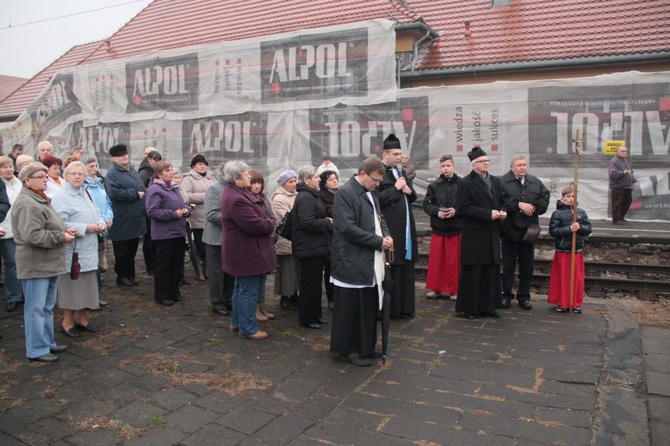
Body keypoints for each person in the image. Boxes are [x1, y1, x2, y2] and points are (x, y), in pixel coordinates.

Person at [330, 157, 393, 367]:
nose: (377, 185)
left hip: (368, 261)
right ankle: (347, 349)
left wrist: (387, 235)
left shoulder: (371, 193)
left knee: (367, 305)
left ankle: (366, 346)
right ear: (363, 173)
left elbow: (379, 218)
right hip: (351, 261)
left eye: (379, 181)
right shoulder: (345, 193)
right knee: (350, 309)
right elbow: (347, 228)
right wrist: (378, 241)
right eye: (374, 180)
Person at [12, 162, 75, 362]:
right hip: (35, 263)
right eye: (40, 176)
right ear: (27, 181)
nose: (45, 179)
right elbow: (33, 235)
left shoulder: (39, 199)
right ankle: (37, 349)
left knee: (46, 306)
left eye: (45, 176)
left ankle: (47, 343)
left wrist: (64, 231)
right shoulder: (27, 203)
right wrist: (60, 236)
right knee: (35, 308)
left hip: (47, 263)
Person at [220, 160, 277, 340]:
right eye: (246, 174)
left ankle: (237, 322)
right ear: (236, 179)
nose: (249, 176)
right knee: (248, 290)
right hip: (246, 251)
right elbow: (256, 225)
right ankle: (248, 328)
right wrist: (271, 223)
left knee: (242, 288)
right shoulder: (237, 199)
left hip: (245, 249)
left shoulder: (236, 193)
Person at [52, 161, 106, 338]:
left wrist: (101, 223)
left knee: (88, 286)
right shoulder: (61, 196)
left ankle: (83, 319)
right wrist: (86, 228)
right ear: (66, 176)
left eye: (80, 174)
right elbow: (60, 223)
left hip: (90, 248)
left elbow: (97, 212)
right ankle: (67, 323)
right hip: (74, 249)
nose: (77, 176)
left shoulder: (86, 192)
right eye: (73, 173)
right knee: (72, 287)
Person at [455, 147, 507, 320]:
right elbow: (463, 207)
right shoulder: (465, 183)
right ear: (474, 165)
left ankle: (489, 306)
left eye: (487, 161)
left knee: (491, 271)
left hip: (491, 233)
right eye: (482, 161)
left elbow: (505, 200)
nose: (486, 164)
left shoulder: (495, 181)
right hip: (474, 234)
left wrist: (503, 210)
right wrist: (488, 214)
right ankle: (471, 308)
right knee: (474, 271)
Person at [499, 155, 550, 310]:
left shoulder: (535, 181)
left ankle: (524, 296)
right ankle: (506, 295)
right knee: (508, 265)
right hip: (510, 230)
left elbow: (544, 198)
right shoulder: (502, 182)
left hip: (529, 230)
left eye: (524, 165)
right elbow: (499, 201)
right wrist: (517, 204)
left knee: (527, 265)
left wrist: (533, 208)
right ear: (512, 166)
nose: (522, 167)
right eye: (519, 165)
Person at [377, 134, 418, 318]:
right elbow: (376, 200)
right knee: (393, 266)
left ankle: (405, 307)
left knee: (405, 266)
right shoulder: (378, 173)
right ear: (385, 154)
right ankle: (391, 309)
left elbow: (410, 195)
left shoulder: (401, 172)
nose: (399, 157)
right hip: (391, 227)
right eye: (395, 154)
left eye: (400, 153)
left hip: (406, 228)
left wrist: (409, 192)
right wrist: (395, 188)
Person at [292, 165, 332, 329]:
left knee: (315, 284)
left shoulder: (312, 195)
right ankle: (307, 317)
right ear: (306, 180)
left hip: (315, 246)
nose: (319, 179)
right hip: (308, 248)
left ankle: (316, 315)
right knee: (309, 285)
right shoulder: (305, 197)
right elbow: (307, 222)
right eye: (315, 177)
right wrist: (327, 222)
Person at [145, 161, 191, 306]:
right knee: (163, 265)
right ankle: (162, 294)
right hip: (164, 234)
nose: (171, 173)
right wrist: (174, 214)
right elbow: (152, 211)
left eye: (171, 170)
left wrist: (186, 211)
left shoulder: (175, 188)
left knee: (176, 264)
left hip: (178, 232)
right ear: (159, 174)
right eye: (167, 171)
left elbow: (184, 204)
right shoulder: (155, 189)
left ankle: (174, 291)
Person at [105, 144, 147, 287]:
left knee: (132, 248)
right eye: (120, 156)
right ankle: (122, 276)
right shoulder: (112, 174)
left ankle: (130, 274)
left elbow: (140, 185)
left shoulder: (132, 170)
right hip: (122, 218)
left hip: (134, 217)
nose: (124, 157)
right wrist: (133, 194)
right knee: (122, 250)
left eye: (125, 154)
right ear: (114, 158)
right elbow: (114, 193)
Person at [547, 186, 593, 314]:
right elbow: (553, 231)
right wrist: (568, 229)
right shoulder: (557, 214)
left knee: (577, 278)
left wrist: (580, 227)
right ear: (563, 198)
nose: (571, 199)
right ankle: (562, 302)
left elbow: (588, 229)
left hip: (577, 250)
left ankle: (576, 302)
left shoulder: (581, 212)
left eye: (573, 196)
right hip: (563, 251)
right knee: (563, 278)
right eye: (568, 196)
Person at [422, 155, 461, 299]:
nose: (446, 168)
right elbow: (426, 204)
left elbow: (465, 204)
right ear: (441, 167)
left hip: (455, 228)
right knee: (436, 262)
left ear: (453, 166)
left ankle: (454, 290)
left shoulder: (462, 184)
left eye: (448, 166)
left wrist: (456, 211)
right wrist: (436, 212)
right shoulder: (434, 185)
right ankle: (436, 288)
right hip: (439, 228)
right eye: (443, 166)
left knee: (453, 262)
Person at [203, 163, 235, 317]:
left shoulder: (235, 189)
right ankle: (217, 302)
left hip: (231, 238)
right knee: (217, 272)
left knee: (230, 271)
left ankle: (228, 299)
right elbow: (211, 214)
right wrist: (234, 220)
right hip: (216, 238)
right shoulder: (214, 189)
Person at [84, 157, 113, 308]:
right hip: (90, 229)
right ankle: (92, 297)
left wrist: (108, 217)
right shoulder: (84, 187)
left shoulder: (100, 185)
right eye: (90, 166)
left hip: (103, 229)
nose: (94, 168)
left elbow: (107, 203)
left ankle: (97, 295)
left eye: (96, 166)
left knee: (100, 264)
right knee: (92, 265)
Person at [181, 154, 216, 280]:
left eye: (204, 164)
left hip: (211, 216)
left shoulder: (211, 177)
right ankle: (198, 269)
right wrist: (205, 196)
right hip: (197, 217)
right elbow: (186, 196)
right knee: (198, 244)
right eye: (199, 164)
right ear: (193, 166)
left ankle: (206, 268)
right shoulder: (188, 179)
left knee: (208, 244)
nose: (202, 166)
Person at [248, 170, 275, 321]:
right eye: (254, 183)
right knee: (254, 277)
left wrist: (271, 226)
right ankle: (254, 307)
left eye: (259, 183)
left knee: (263, 275)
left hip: (266, 239)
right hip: (255, 241)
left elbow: (271, 216)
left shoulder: (264, 198)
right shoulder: (247, 200)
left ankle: (262, 303)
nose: (257, 186)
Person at [271, 170, 300, 310]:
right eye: (290, 182)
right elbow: (286, 218)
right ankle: (284, 296)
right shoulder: (279, 199)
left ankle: (294, 293)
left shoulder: (297, 196)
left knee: (296, 269)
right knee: (286, 270)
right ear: (283, 184)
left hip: (297, 238)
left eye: (295, 181)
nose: (293, 184)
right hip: (285, 239)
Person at [0, 156, 22, 312]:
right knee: (11, 262)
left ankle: (23, 292)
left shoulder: (19, 182)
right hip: (5, 229)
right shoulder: (2, 186)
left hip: (21, 228)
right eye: (4, 167)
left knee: (22, 261)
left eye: (10, 166)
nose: (8, 169)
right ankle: (13, 295)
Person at [138, 150, 162, 275]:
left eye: (159, 160)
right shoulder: (144, 172)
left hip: (153, 207)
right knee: (149, 238)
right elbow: (143, 189)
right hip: (148, 208)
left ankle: (153, 262)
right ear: (148, 160)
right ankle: (150, 264)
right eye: (154, 160)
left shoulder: (153, 172)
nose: (156, 162)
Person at [318, 170, 339, 311]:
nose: (334, 181)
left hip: (341, 236)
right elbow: (328, 214)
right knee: (330, 268)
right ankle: (331, 299)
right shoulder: (322, 197)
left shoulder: (341, 194)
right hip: (329, 237)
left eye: (335, 178)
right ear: (324, 183)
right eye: (330, 179)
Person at [608, 145, 635, 224]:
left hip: (627, 185)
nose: (624, 152)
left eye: (625, 151)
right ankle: (616, 219)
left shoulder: (626, 160)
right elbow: (612, 173)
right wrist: (623, 172)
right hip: (618, 186)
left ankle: (621, 217)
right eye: (622, 151)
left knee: (627, 201)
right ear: (617, 152)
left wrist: (632, 181)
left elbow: (630, 171)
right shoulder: (613, 161)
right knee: (617, 203)